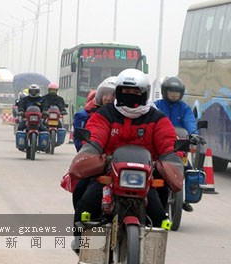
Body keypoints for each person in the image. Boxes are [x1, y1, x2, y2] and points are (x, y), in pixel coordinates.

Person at [68, 69, 182, 243]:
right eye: (126, 92)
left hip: (145, 178)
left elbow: (168, 143)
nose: (130, 96)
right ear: (118, 93)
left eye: (135, 92)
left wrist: (168, 159)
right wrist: (92, 152)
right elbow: (95, 136)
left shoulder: (157, 119)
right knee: (84, 199)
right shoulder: (105, 114)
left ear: (144, 94)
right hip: (107, 174)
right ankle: (81, 240)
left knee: (160, 215)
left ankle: (153, 247)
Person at [154, 76, 200, 212]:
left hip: (179, 145)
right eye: (171, 91)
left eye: (177, 92)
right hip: (161, 145)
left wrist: (194, 133)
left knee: (187, 168)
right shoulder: (157, 105)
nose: (174, 94)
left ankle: (183, 198)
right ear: (164, 91)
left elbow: (190, 122)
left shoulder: (184, 108)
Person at [73, 76, 116, 151]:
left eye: (113, 95)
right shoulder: (86, 116)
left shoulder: (128, 115)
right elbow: (80, 145)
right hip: (95, 152)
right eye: (105, 94)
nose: (109, 98)